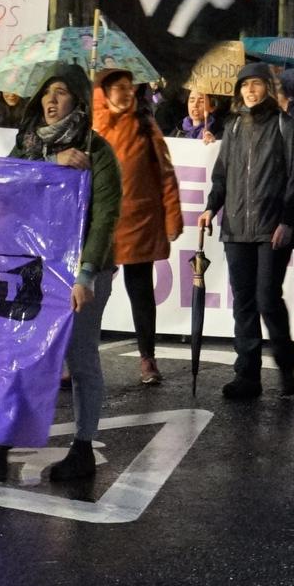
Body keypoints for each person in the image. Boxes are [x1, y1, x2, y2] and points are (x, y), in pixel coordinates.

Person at [0, 66, 123, 483]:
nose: (51, 102)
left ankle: (83, 449)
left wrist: (85, 274)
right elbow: (4, 184)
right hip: (36, 269)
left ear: (79, 103)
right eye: (46, 94)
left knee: (82, 359)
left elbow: (104, 218)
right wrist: (52, 161)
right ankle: (0, 448)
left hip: (81, 274)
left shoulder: (98, 153)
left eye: (61, 94)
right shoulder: (29, 145)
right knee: (23, 353)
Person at [200, 64, 294, 402]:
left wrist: (287, 221)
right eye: (245, 85)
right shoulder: (231, 128)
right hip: (235, 227)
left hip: (271, 227)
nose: (250, 90)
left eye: (257, 84)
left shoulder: (284, 126)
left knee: (266, 298)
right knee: (243, 302)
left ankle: (285, 360)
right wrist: (210, 206)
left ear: (268, 89)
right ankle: (247, 374)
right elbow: (221, 176)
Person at [93, 68, 182, 386]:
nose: (124, 92)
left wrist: (173, 216)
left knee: (140, 292)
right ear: (103, 91)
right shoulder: (91, 126)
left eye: (129, 87)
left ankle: (148, 359)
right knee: (91, 292)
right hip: (100, 223)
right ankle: (78, 358)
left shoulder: (146, 126)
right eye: (117, 87)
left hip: (139, 221)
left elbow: (166, 175)